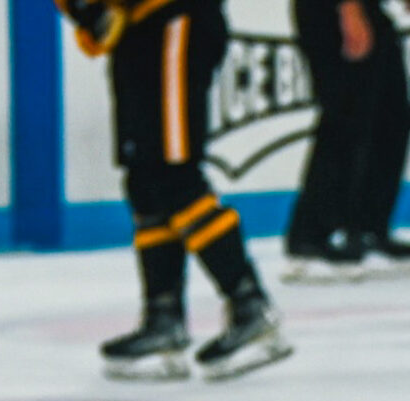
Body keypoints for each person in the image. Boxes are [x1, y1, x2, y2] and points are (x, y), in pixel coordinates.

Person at [57, 0, 293, 380]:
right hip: (138, 29)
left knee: (174, 174)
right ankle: (163, 317)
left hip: (174, 17)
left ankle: (250, 305)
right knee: (145, 181)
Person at [285, 0, 410, 281]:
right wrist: (349, 9)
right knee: (345, 116)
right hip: (331, 11)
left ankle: (367, 226)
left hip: (365, 8)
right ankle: (309, 237)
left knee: (392, 115)